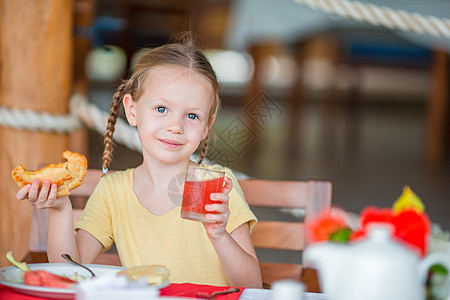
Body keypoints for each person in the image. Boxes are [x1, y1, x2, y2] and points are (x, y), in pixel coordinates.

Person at [16, 33, 262, 288]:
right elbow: (69, 275)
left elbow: (252, 286)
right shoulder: (113, 192)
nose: (175, 126)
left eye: (192, 115)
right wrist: (60, 210)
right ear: (132, 111)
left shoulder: (217, 187)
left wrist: (220, 236)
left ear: (206, 128)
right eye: (162, 109)